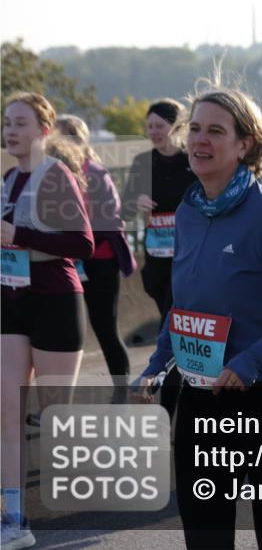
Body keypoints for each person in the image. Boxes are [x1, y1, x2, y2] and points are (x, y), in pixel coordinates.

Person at [134, 86, 262, 549]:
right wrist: (157, 363)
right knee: (205, 537)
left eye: (216, 131)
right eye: (195, 130)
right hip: (203, 396)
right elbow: (184, 309)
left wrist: (250, 361)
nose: (200, 141)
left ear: (244, 145)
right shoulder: (188, 209)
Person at [2, 93, 94, 550]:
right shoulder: (7, 179)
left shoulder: (55, 176)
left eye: (20, 122)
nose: (10, 130)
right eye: (6, 122)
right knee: (6, 412)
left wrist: (18, 234)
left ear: (43, 129)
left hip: (56, 300)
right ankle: (14, 520)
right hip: (11, 302)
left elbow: (82, 244)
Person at [122, 99, 197, 418]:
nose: (153, 132)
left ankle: (169, 408)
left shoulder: (191, 161)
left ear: (176, 127)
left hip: (187, 260)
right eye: (149, 126)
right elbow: (122, 210)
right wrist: (135, 201)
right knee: (175, 333)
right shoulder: (142, 163)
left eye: (159, 126)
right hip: (156, 262)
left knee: (174, 331)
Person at [55, 115, 137, 403]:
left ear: (78, 139)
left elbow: (111, 220)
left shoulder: (96, 173)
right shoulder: (53, 171)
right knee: (62, 332)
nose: (55, 141)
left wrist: (80, 240)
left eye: (62, 136)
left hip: (99, 261)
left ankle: (121, 391)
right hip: (66, 263)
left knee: (104, 328)